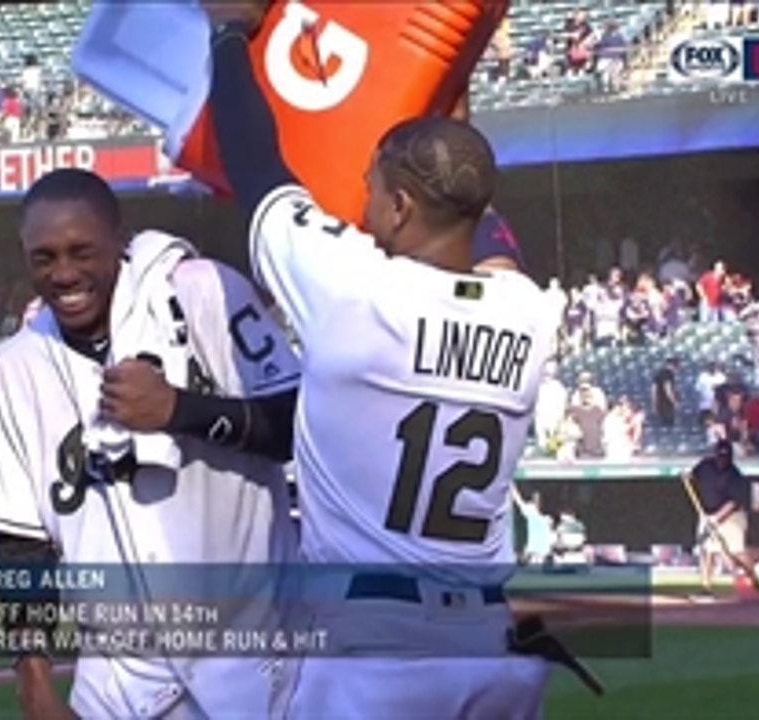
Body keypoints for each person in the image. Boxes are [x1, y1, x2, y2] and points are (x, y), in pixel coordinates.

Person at [202, 12, 560, 719]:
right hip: (489, 648)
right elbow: (481, 220)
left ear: (399, 205)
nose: (360, 206)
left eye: (370, 189)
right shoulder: (527, 311)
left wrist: (228, 34)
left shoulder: (353, 288)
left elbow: (256, 167)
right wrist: (444, 95)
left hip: (372, 650)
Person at [0, 168, 302, 720]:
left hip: (258, 659)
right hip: (118, 682)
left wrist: (179, 410)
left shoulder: (205, 293)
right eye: (43, 258)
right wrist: (33, 677)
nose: (64, 273)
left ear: (119, 240)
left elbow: (296, 427)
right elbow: (20, 543)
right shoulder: (15, 368)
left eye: (82, 251)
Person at [687, 440, 752, 599]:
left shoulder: (735, 476)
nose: (722, 460)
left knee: (737, 553)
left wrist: (716, 520)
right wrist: (687, 476)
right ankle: (706, 587)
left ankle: (753, 576)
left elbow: (733, 503)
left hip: (731, 517)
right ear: (715, 454)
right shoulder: (705, 466)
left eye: (726, 457)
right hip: (707, 514)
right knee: (706, 550)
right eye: (720, 456)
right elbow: (692, 476)